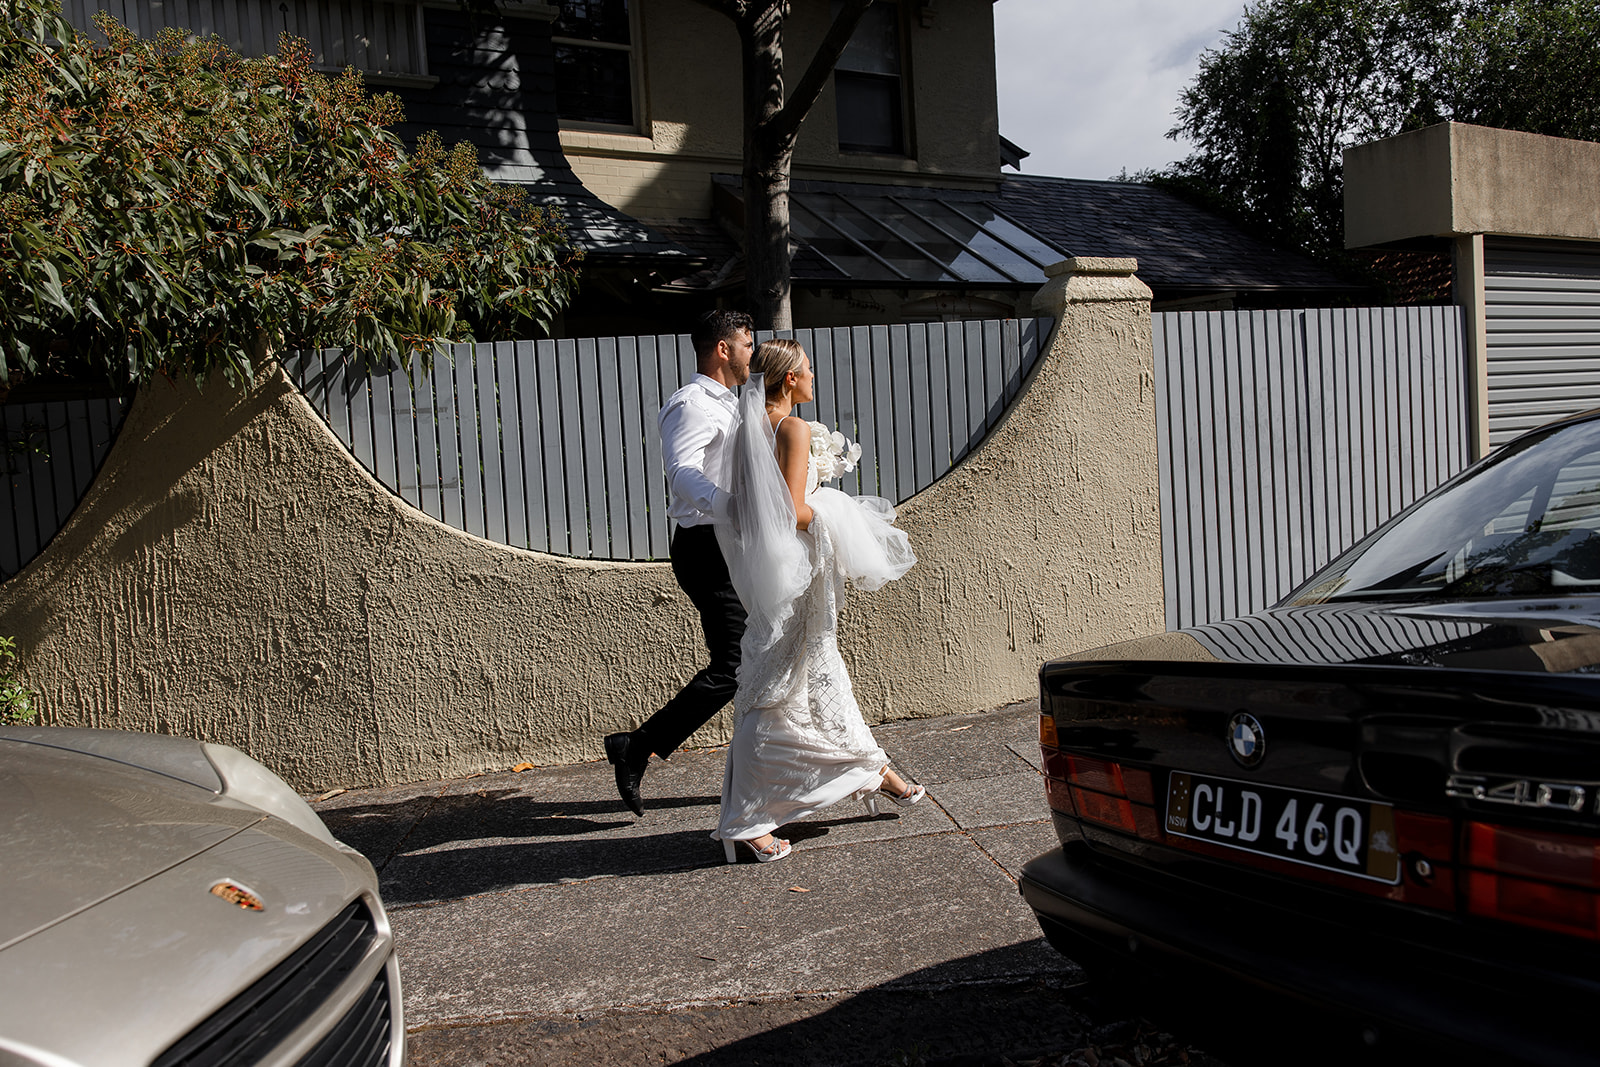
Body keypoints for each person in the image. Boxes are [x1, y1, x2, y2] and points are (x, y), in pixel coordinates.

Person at [712, 339, 920, 863]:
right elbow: (790, 511)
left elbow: (748, 506)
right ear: (789, 379)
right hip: (800, 571)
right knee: (774, 686)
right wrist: (833, 507)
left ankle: (872, 770)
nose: (812, 377)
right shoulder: (793, 428)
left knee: (804, 676)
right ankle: (746, 819)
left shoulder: (746, 427)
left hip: (775, 572)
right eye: (807, 369)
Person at [604, 310, 754, 816]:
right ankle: (637, 746)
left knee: (757, 656)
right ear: (723, 349)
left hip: (733, 543)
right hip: (705, 546)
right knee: (735, 664)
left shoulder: (732, 403)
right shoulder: (691, 404)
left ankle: (770, 770)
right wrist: (730, 506)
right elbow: (682, 472)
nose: (752, 353)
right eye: (747, 344)